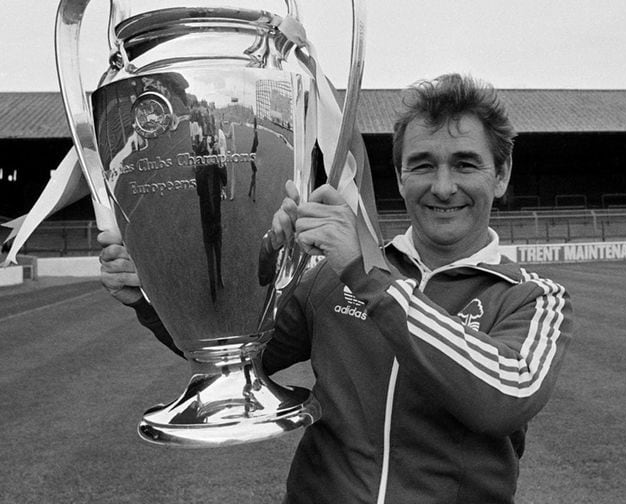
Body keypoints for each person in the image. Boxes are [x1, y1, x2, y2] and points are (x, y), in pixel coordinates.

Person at [99, 74, 572, 503]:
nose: (443, 187)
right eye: (423, 165)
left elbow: (505, 398)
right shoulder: (331, 279)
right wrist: (152, 294)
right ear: (401, 177)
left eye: (465, 164)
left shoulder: (534, 298)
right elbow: (240, 353)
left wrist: (368, 276)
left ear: (502, 175)